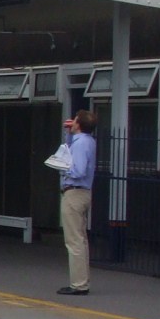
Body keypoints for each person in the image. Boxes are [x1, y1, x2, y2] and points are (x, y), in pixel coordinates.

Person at [58, 110, 97, 295]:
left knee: (74, 240)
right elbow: (69, 149)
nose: (71, 122)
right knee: (81, 239)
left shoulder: (80, 143)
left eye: (74, 120)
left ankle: (79, 284)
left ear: (79, 124)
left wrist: (63, 169)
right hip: (83, 193)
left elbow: (78, 170)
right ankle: (82, 281)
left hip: (74, 192)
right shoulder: (87, 141)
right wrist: (68, 134)